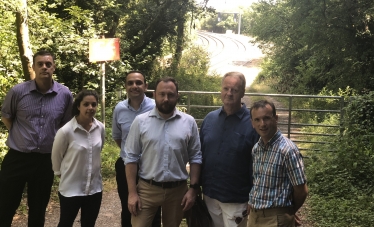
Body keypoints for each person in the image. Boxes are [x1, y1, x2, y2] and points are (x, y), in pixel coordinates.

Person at [0, 50, 73, 227]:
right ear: (33, 67)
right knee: (5, 206)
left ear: (54, 67)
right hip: (18, 158)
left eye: (48, 64)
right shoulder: (18, 91)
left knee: (38, 210)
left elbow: (66, 125)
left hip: (45, 161)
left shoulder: (64, 94)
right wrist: (19, 135)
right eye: (40, 64)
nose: (44, 67)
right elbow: (6, 116)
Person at [124, 77, 202, 227]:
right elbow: (131, 158)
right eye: (162, 94)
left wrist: (193, 189)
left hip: (177, 191)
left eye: (171, 94)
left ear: (177, 96)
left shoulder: (189, 122)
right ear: (154, 95)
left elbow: (195, 157)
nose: (166, 99)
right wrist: (132, 193)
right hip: (147, 190)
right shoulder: (140, 122)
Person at [199, 71, 259, 227]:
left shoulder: (253, 123)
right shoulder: (209, 119)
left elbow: (260, 164)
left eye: (235, 90)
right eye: (226, 88)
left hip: (237, 199)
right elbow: (199, 154)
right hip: (210, 195)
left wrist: (254, 197)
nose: (229, 93)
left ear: (243, 92)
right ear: (221, 90)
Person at [248, 100, 308, 227]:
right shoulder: (256, 149)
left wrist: (288, 212)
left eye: (266, 118)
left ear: (275, 118)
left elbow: (301, 190)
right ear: (252, 123)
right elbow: (258, 181)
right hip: (254, 216)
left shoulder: (288, 150)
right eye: (257, 120)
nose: (262, 124)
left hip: (276, 219)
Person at [112, 71, 160, 227]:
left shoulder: (155, 107)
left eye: (138, 83)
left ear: (145, 86)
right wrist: (130, 154)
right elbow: (118, 137)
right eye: (130, 83)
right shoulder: (119, 109)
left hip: (151, 166)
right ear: (125, 86)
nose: (134, 86)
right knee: (128, 206)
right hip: (126, 165)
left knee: (153, 209)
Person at [52, 90, 105, 227]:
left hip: (94, 188)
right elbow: (56, 158)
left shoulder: (100, 128)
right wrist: (60, 174)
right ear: (78, 106)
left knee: (89, 223)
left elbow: (98, 149)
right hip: (71, 189)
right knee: (65, 223)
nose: (90, 108)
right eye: (86, 104)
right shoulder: (66, 131)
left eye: (93, 104)